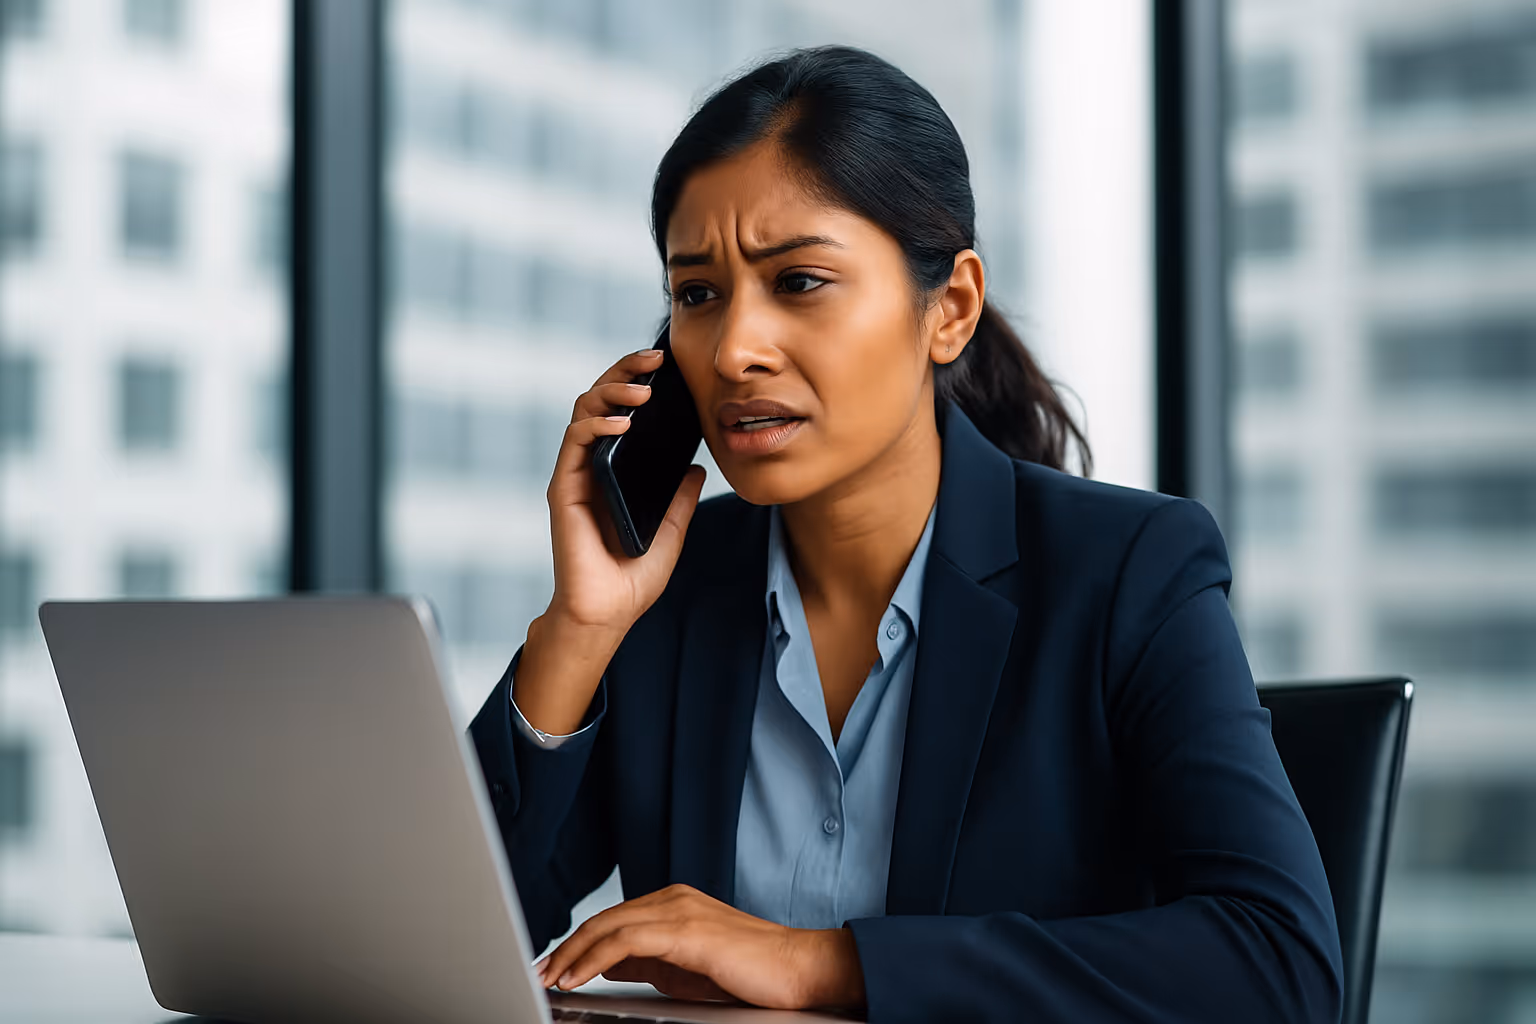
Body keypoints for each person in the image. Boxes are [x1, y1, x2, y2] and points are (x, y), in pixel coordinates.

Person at [468, 44, 1343, 1023]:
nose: (735, 350)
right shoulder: (670, 593)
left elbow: (1280, 964)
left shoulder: (1129, 574)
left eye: (798, 281)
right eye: (698, 294)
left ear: (950, 309)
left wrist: (823, 965)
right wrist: (581, 628)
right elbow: (439, 940)